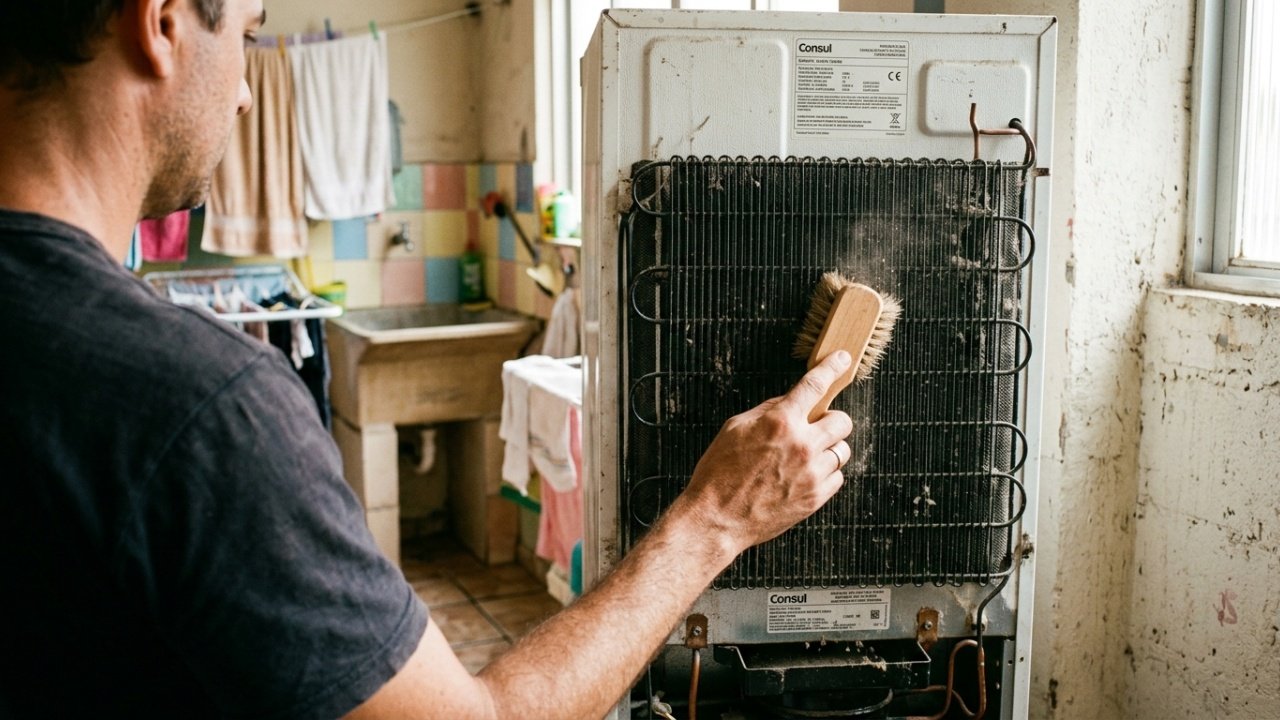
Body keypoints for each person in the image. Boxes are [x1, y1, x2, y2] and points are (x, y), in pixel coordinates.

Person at [0, 1, 855, 718]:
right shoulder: (200, 407)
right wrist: (716, 517)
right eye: (250, 38)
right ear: (161, 23)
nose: (248, 98)